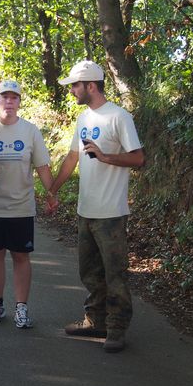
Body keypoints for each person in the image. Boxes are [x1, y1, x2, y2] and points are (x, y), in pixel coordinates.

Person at [48, 60, 145, 353]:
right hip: (85, 211)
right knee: (89, 271)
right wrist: (52, 189)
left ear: (91, 85)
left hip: (111, 213)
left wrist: (106, 157)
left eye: (75, 85)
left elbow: (138, 158)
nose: (72, 91)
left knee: (114, 273)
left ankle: (116, 329)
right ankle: (95, 321)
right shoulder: (84, 119)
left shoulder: (119, 117)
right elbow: (72, 158)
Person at [0, 80, 58, 329]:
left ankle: (21, 308)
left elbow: (42, 166)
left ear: (19, 102)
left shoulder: (30, 131)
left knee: (21, 256)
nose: (9, 102)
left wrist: (51, 193)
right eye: (5, 97)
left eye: (14, 98)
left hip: (21, 206)